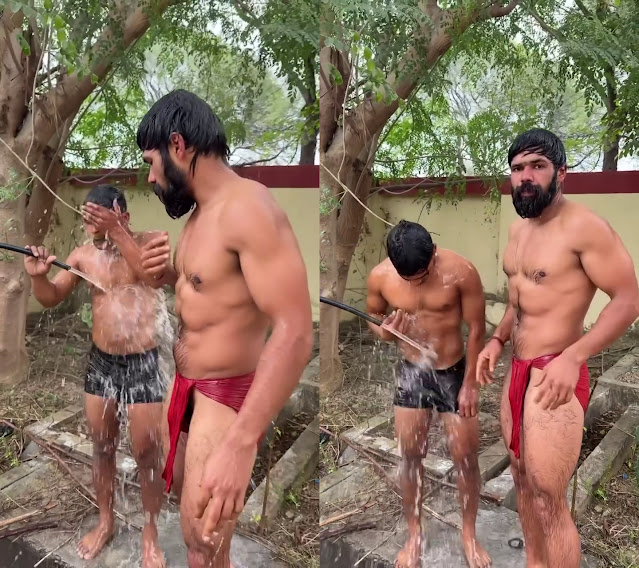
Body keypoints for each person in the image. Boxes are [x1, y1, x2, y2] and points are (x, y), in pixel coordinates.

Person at [132, 89, 313, 568]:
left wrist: (240, 442)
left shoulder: (247, 209)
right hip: (187, 388)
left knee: (203, 541)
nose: (150, 178)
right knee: (198, 534)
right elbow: (213, 291)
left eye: (151, 162)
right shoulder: (200, 214)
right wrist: (166, 275)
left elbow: (295, 331)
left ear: (177, 145)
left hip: (224, 394)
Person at [476, 128, 639, 568]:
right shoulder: (517, 230)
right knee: (521, 481)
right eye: (517, 168)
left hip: (555, 373)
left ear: (561, 172)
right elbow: (518, 302)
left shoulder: (585, 228)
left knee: (549, 498)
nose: (525, 176)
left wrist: (575, 356)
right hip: (517, 371)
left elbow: (628, 299)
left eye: (538, 166)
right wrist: (496, 339)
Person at [25, 184, 168, 568]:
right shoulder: (83, 255)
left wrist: (117, 232)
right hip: (102, 364)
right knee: (102, 446)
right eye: (88, 223)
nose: (93, 231)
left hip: (143, 364)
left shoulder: (148, 243)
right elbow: (51, 296)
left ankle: (150, 532)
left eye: (99, 221)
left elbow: (155, 278)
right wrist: (38, 277)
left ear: (122, 215)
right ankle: (106, 521)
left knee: (147, 452)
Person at [366, 220, 490, 568]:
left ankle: (469, 534)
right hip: (413, 371)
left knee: (466, 457)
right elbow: (373, 315)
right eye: (408, 279)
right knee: (409, 455)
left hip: (453, 372)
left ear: (433, 253)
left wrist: (470, 385)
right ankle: (414, 535)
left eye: (422, 276)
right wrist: (385, 332)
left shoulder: (462, 272)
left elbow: (477, 329)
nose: (416, 284)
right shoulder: (380, 276)